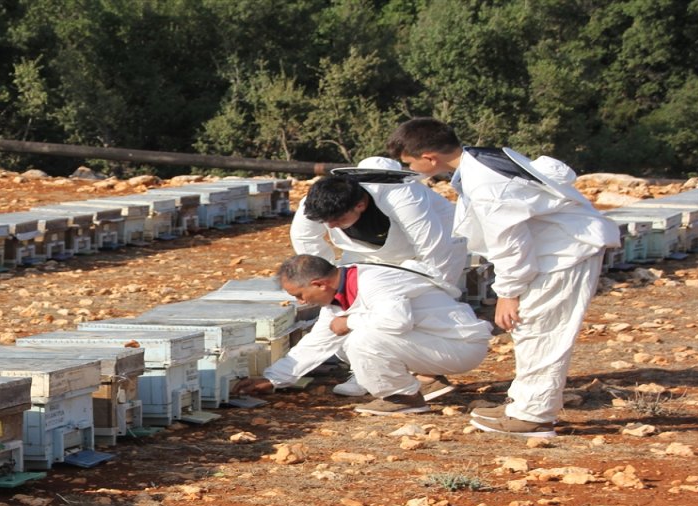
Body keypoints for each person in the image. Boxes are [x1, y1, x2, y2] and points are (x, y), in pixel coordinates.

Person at [385, 117, 620, 437]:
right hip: (553, 249)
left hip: (563, 253)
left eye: (410, 162)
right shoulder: (480, 159)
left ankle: (534, 416)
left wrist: (508, 293)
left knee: (541, 331)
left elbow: (510, 243)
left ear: (429, 158)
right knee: (530, 329)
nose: (409, 168)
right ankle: (522, 403)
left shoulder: (485, 184)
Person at [290, 156, 468, 398]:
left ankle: (427, 374)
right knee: (351, 306)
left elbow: (433, 249)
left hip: (428, 251)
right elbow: (305, 240)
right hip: (365, 253)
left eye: (338, 220)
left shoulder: (403, 197)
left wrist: (424, 290)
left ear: (360, 204)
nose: (331, 226)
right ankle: (366, 370)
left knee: (411, 310)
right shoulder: (318, 200)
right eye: (326, 221)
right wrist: (330, 281)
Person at [232, 255, 492, 416]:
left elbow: (397, 321)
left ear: (319, 284)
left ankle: (402, 398)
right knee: (346, 340)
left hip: (459, 346)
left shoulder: (374, 282)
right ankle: (424, 382)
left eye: (299, 295)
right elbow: (318, 342)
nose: (301, 302)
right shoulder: (339, 292)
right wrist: (273, 378)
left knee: (360, 339)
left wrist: (350, 321)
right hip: (436, 343)